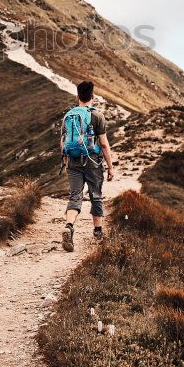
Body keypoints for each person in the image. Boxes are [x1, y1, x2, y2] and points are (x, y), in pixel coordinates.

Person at [60, 80, 114, 252]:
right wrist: (111, 166)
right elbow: (104, 144)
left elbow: (63, 142)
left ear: (78, 97)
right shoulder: (97, 116)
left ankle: (69, 226)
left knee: (75, 196)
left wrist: (65, 161)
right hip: (93, 162)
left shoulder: (68, 116)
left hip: (73, 162)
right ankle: (98, 233)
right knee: (95, 195)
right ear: (92, 96)